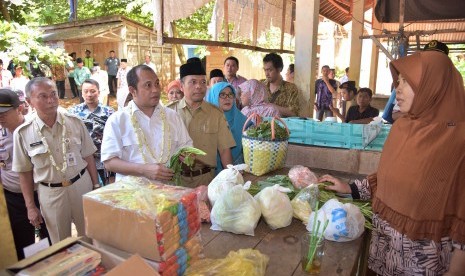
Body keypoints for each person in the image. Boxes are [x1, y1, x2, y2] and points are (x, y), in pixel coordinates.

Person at [320, 50, 465, 275]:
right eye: (399, 81)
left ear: (433, 86)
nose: (398, 88)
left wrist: (457, 271)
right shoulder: (402, 128)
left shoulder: (458, 141)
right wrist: (348, 188)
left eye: (408, 81)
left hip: (422, 262)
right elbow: (386, 180)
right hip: (383, 253)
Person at [12, 77, 99, 244]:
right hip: (50, 193)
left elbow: (88, 155)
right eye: (43, 96)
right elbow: (24, 173)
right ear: (30, 101)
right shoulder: (23, 133)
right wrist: (31, 207)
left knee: (91, 236)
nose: (51, 100)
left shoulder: (74, 121)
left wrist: (95, 186)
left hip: (81, 185)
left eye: (53, 94)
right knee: (60, 243)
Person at [101, 65, 192, 182]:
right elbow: (109, 162)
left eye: (157, 84)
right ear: (133, 90)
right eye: (148, 85)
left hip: (167, 193)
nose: (155, 89)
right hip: (132, 195)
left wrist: (187, 156)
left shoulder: (172, 116)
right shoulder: (118, 120)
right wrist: (143, 170)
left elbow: (186, 147)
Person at [167, 61, 235, 187]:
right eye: (193, 82)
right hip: (174, 181)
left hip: (205, 181)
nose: (199, 86)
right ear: (181, 86)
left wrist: (231, 182)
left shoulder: (216, 114)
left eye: (203, 82)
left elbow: (225, 151)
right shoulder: (169, 113)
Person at [0, 89, 49, 260]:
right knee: (22, 242)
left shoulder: (36, 130)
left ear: (19, 108)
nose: (0, 117)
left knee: (49, 238)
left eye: (4, 112)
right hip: (12, 198)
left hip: (40, 194)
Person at [68, 79, 115, 185]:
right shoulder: (73, 113)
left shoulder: (109, 112)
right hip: (82, 160)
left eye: (93, 91)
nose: (89, 94)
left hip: (103, 160)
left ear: (98, 92)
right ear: (82, 93)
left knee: (105, 190)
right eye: (86, 91)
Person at [206, 82, 246, 174]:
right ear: (214, 97)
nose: (227, 98)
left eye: (230, 94)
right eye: (222, 95)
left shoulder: (243, 121)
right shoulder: (206, 120)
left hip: (237, 171)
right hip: (208, 174)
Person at [262, 53, 300, 117]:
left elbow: (294, 112)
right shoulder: (260, 86)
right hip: (261, 126)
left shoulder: (291, 88)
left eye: (270, 70)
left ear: (279, 69)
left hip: (281, 126)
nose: (266, 74)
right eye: (265, 70)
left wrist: (272, 107)